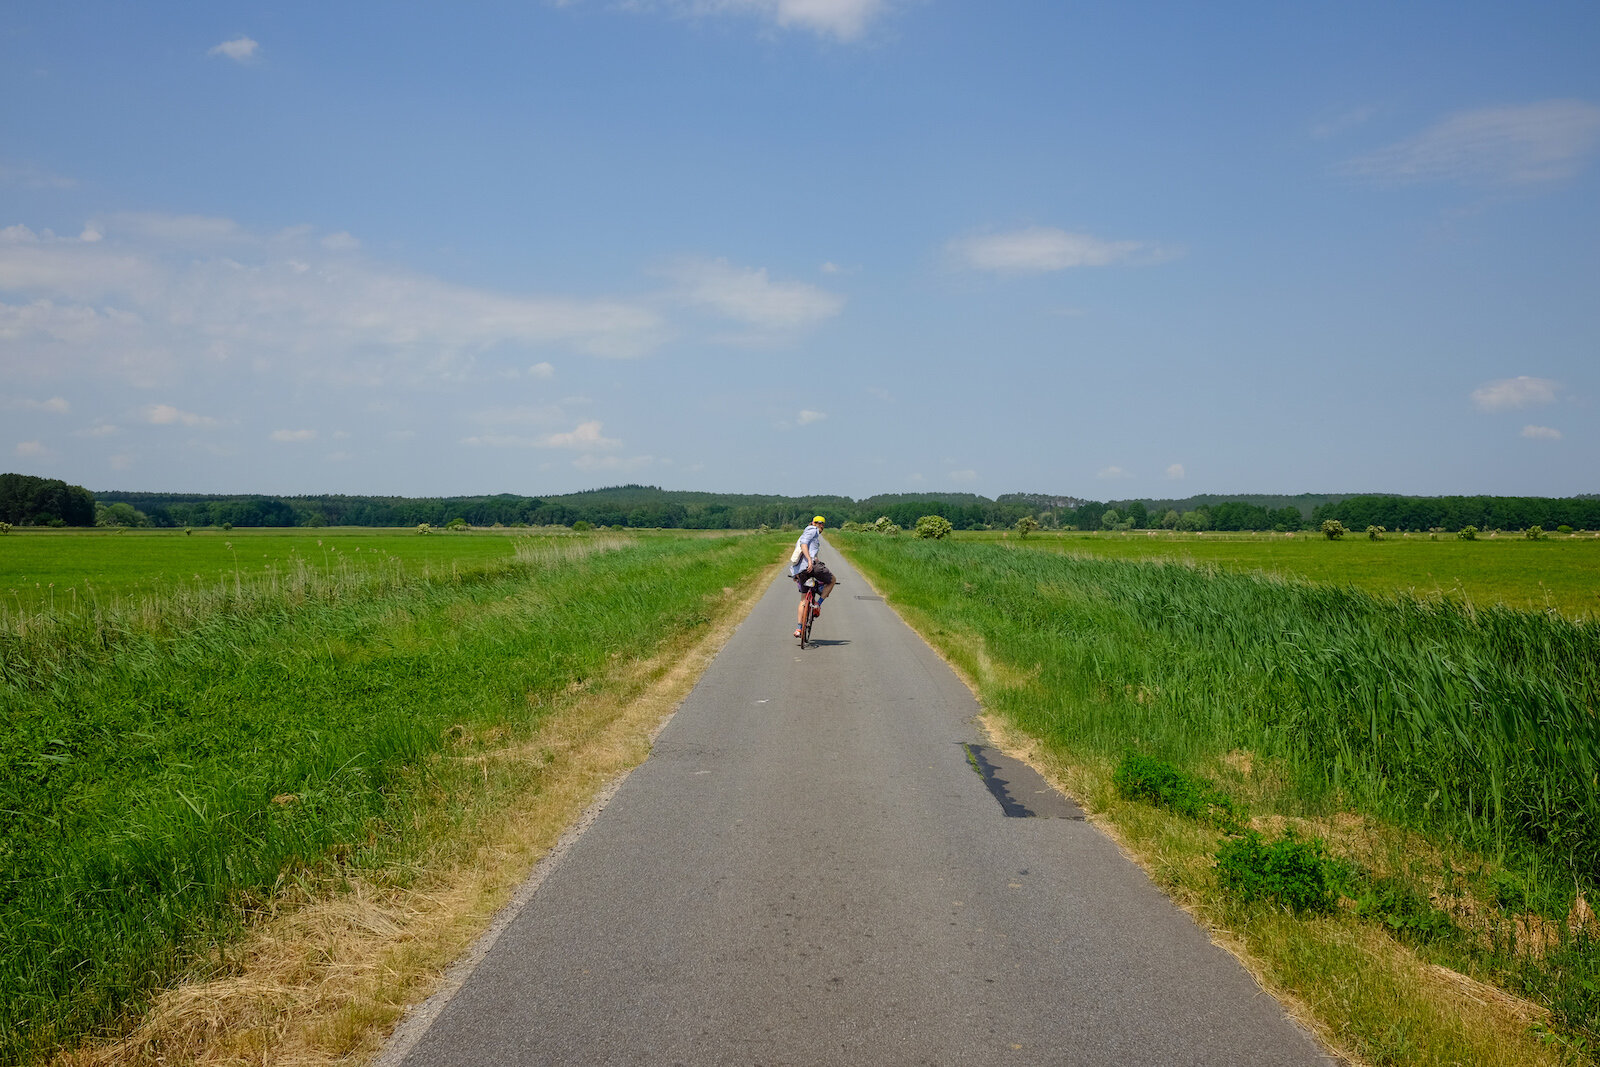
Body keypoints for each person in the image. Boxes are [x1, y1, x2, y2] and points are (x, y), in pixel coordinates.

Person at [789, 515, 836, 637]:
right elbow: (804, 545)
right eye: (819, 523)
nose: (821, 526)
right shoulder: (812, 530)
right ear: (814, 523)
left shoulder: (808, 533)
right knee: (832, 580)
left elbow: (808, 549)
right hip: (811, 566)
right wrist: (810, 560)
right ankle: (817, 604)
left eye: (822, 524)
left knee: (803, 599)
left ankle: (799, 628)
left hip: (801, 570)